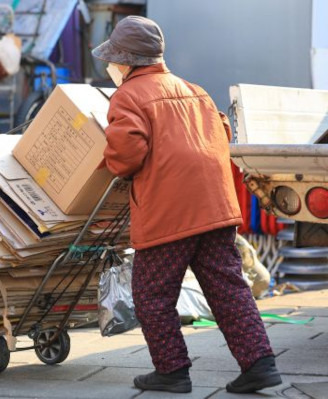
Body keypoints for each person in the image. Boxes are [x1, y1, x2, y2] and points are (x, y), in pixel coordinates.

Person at [92, 16, 281, 394]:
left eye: (113, 60)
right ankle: (260, 365)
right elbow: (222, 132)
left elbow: (127, 153)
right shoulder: (194, 89)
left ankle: (172, 371)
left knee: (151, 294)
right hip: (215, 208)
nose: (112, 67)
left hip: (170, 214)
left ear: (125, 61)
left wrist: (108, 162)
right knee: (229, 289)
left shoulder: (128, 96)